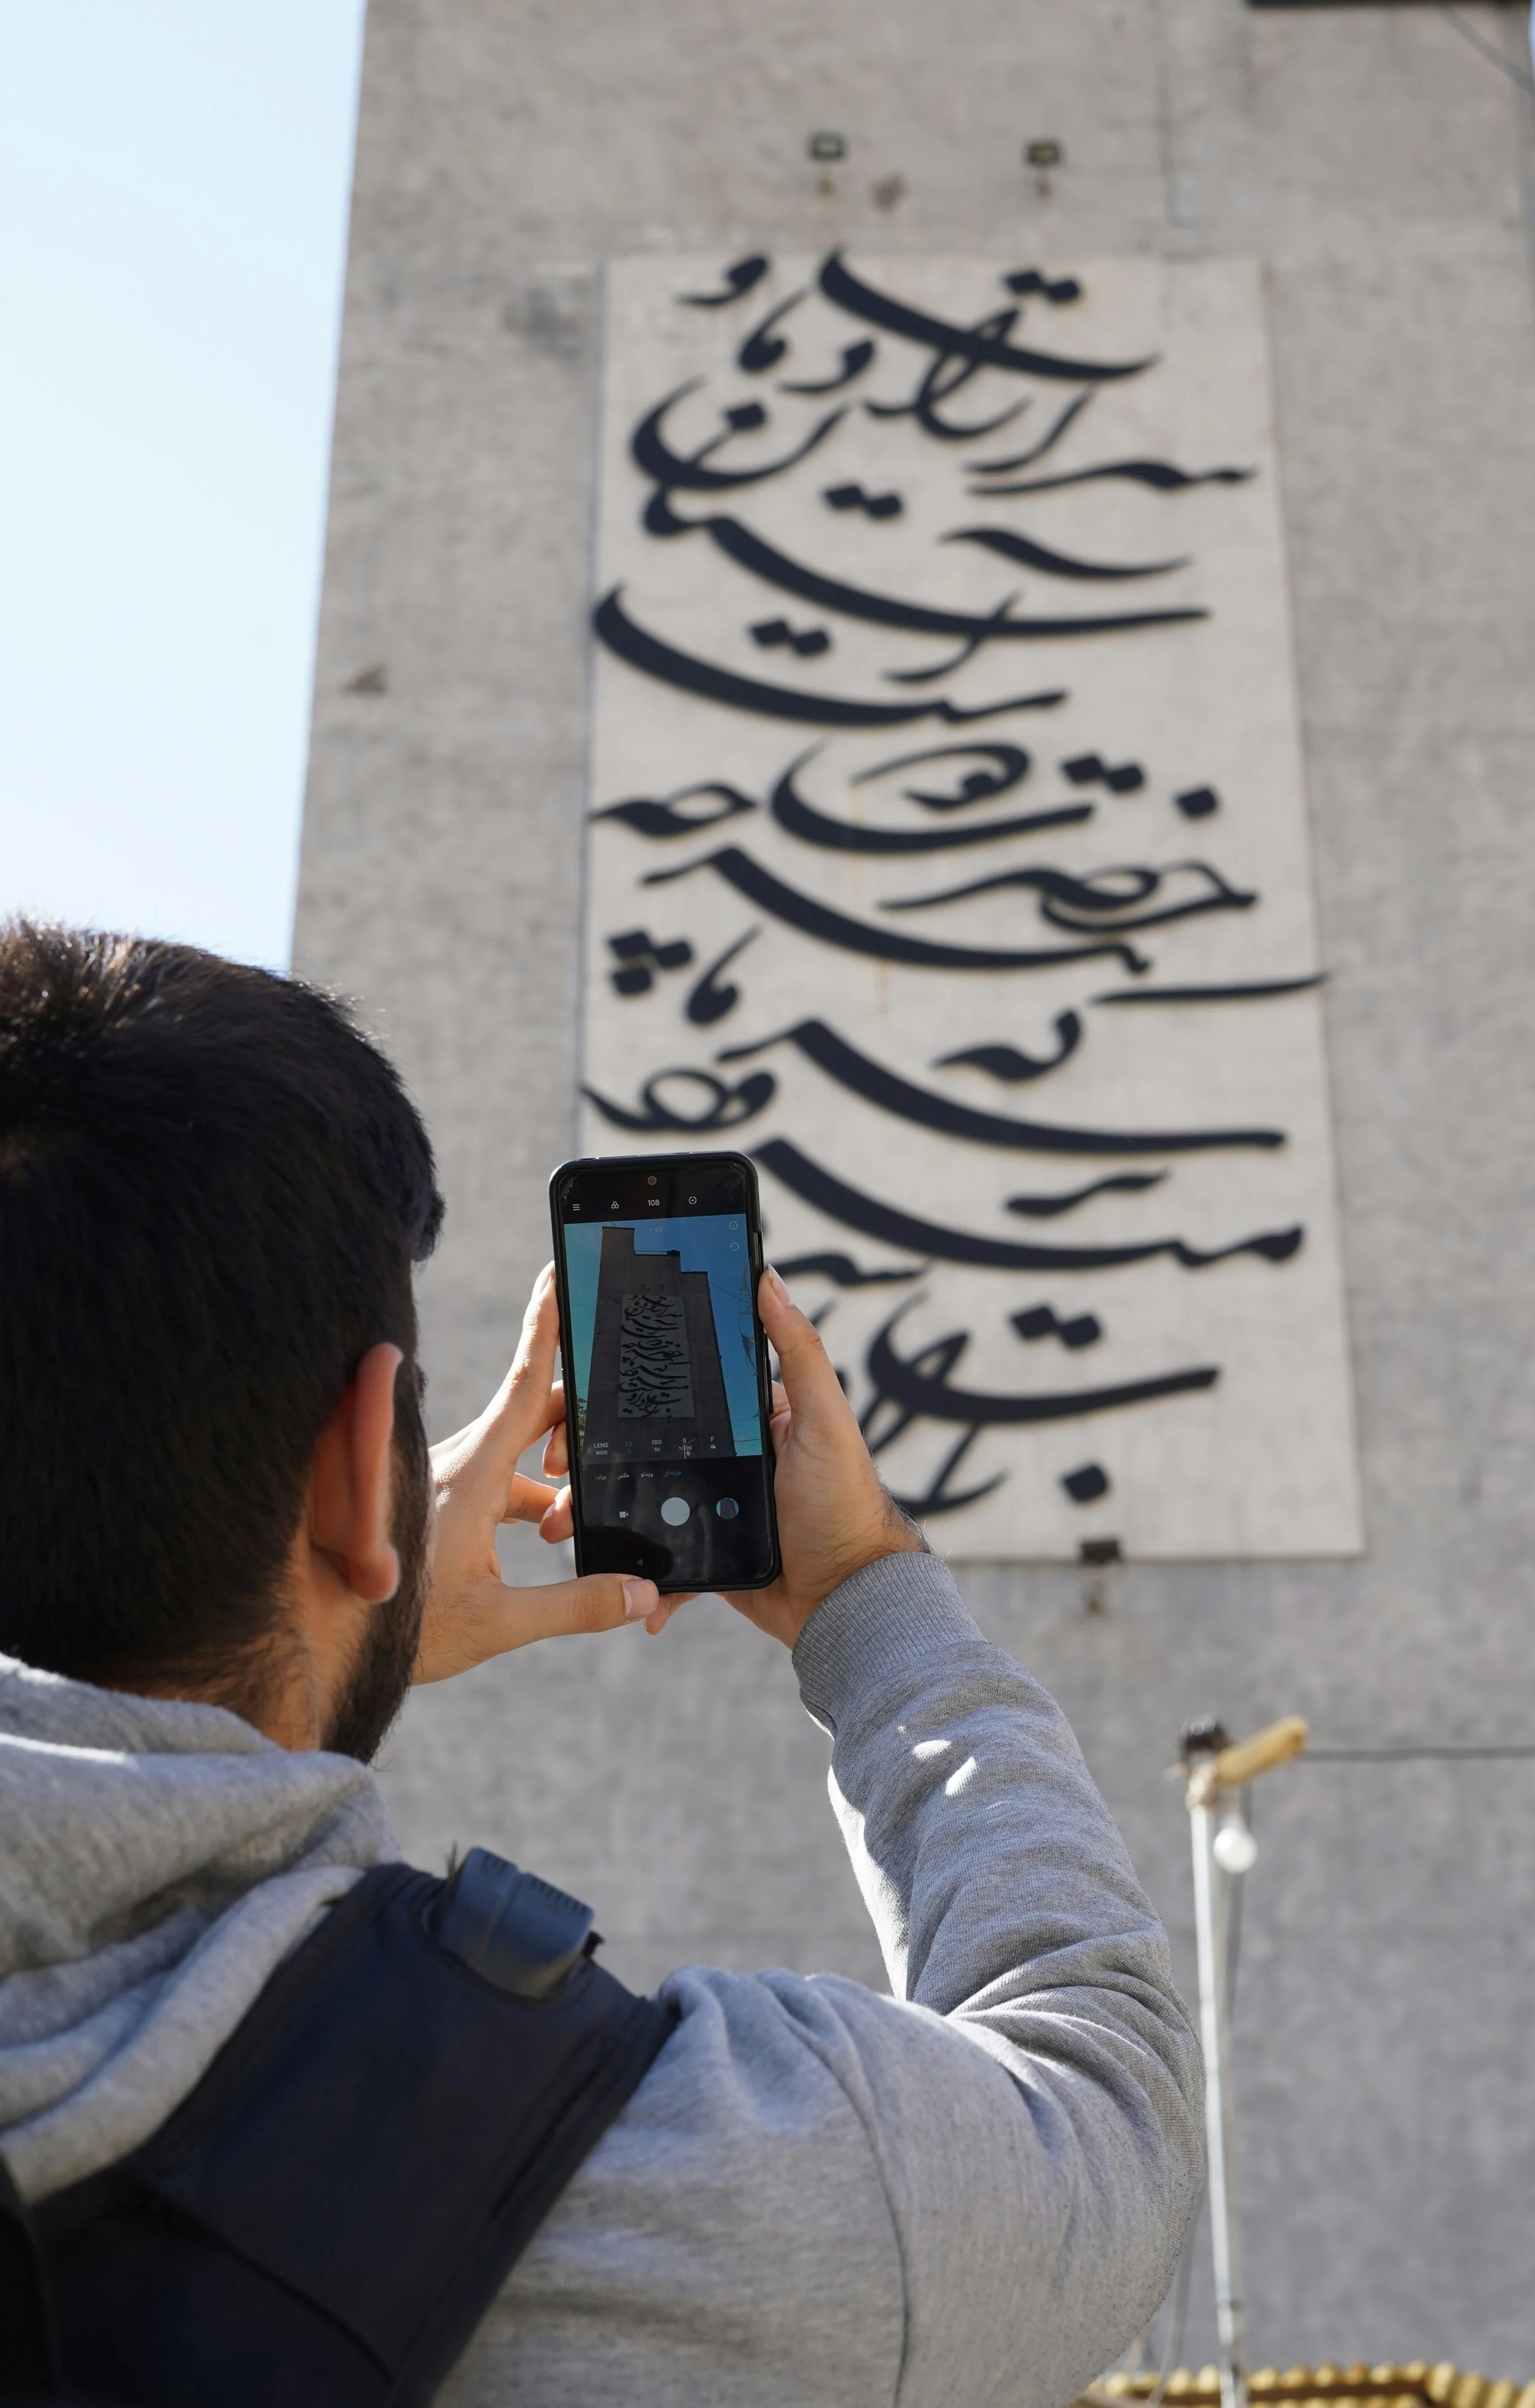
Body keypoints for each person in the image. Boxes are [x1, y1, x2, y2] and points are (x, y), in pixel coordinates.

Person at [0, 920, 1202, 2408]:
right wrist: (865, 1593)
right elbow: (1103, 2124)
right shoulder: (683, 2184)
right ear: (364, 1457)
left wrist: (330, 1624)